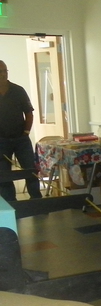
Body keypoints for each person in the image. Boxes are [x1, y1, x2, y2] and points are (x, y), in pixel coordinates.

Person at [0, 60, 42, 201]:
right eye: (0, 71)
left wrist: (26, 132)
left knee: (30, 170)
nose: (3, 74)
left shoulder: (18, 90)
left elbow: (29, 113)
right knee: (4, 175)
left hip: (21, 139)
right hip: (1, 141)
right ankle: (11, 204)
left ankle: (37, 201)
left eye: (5, 71)